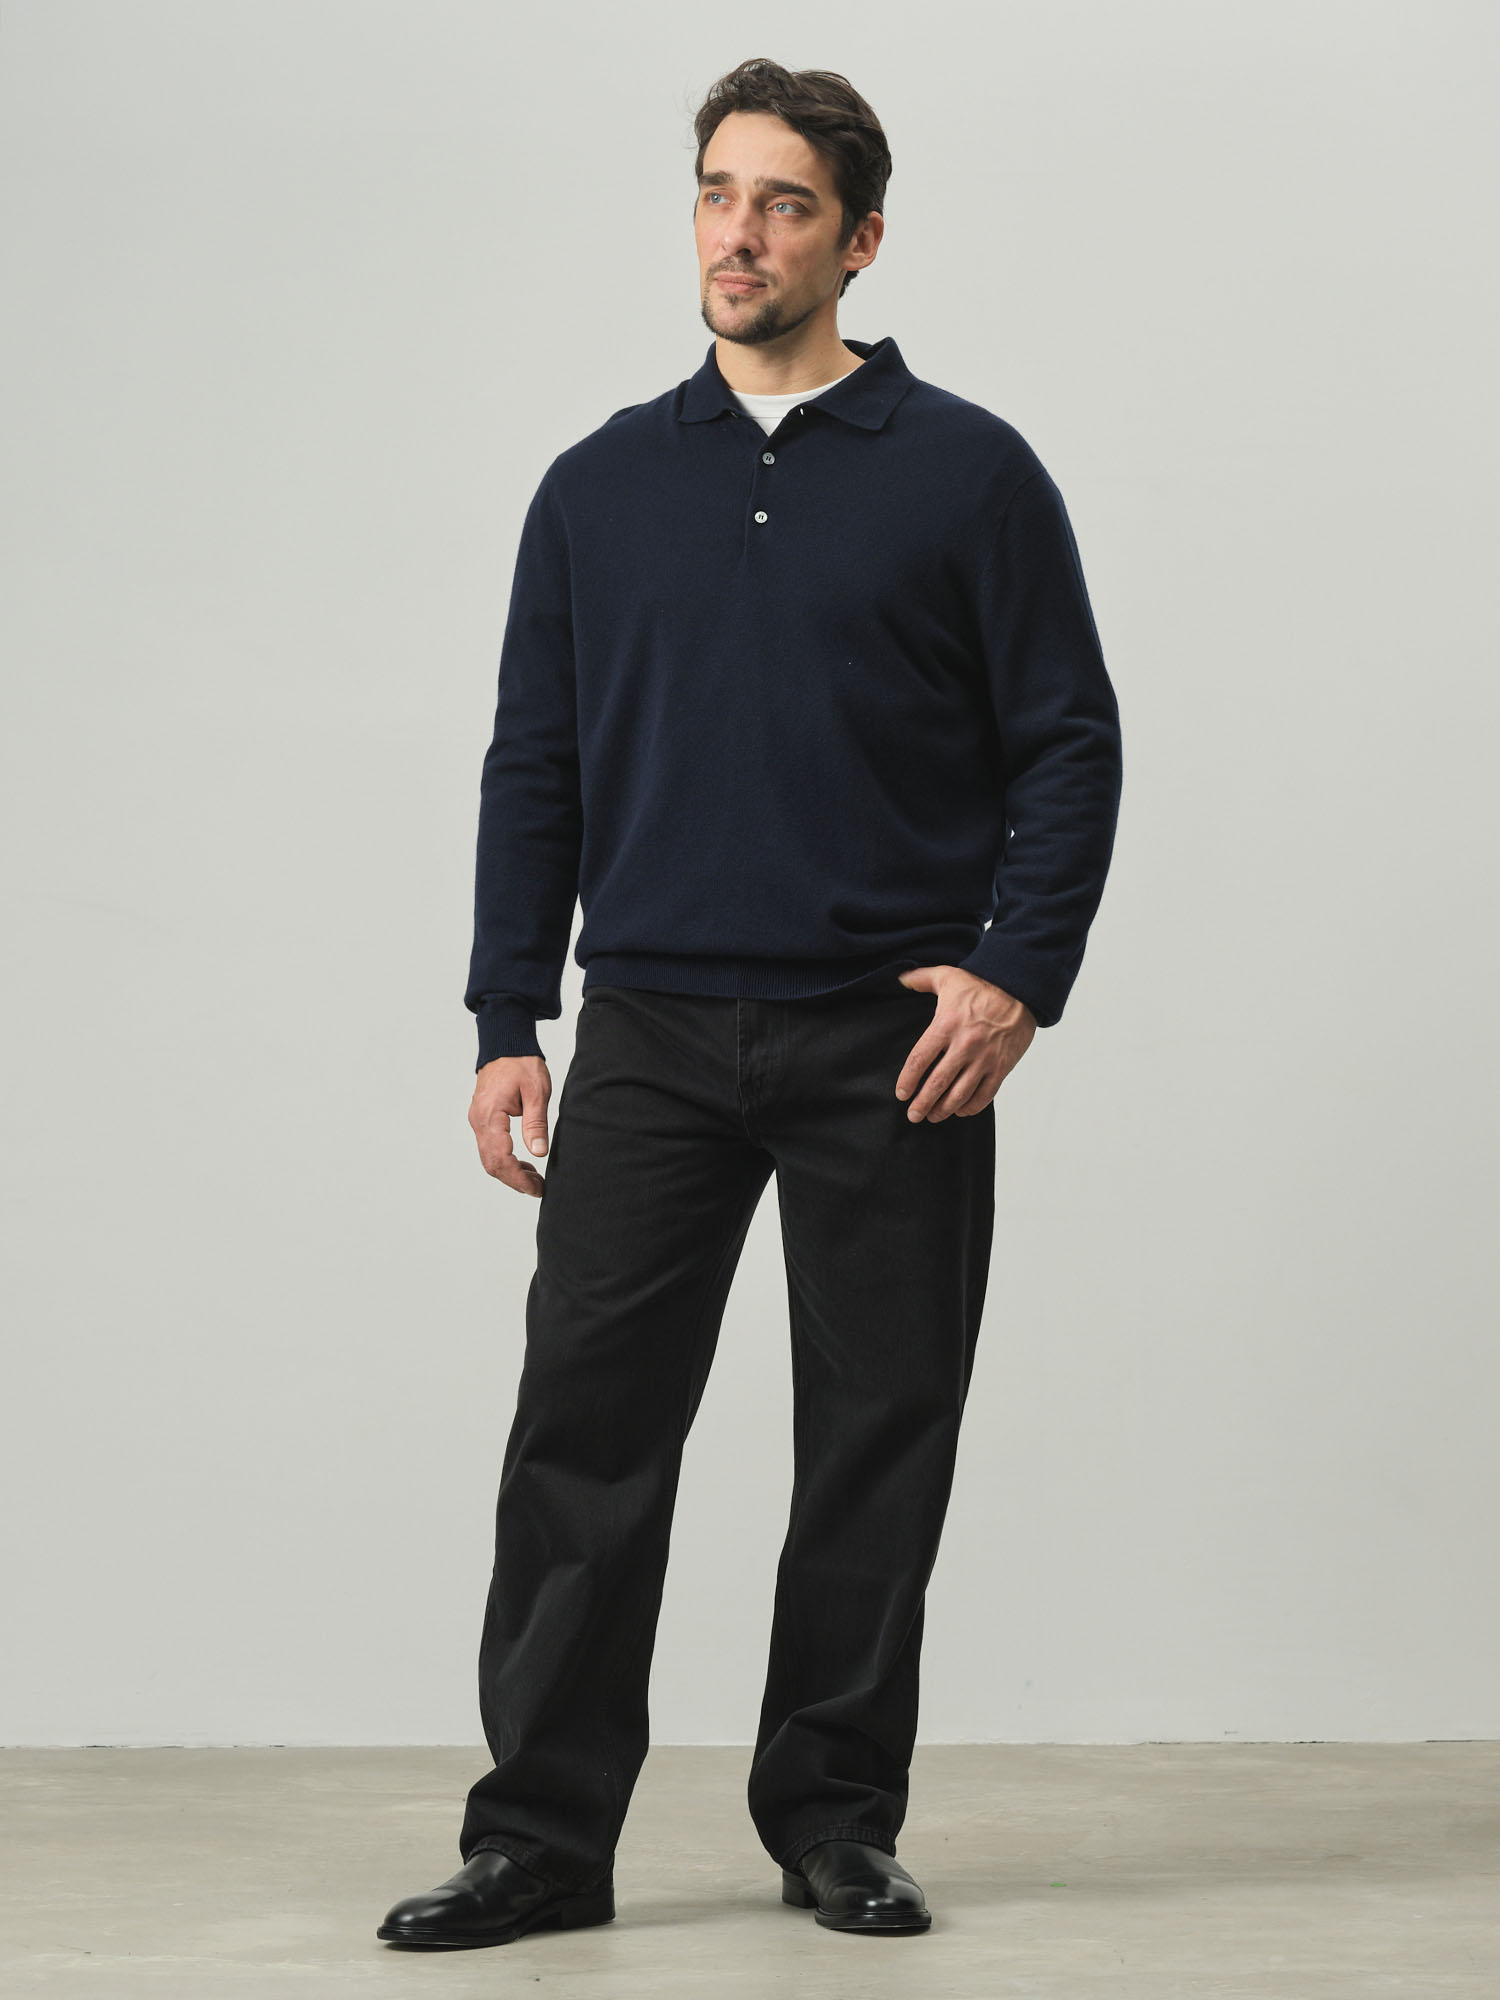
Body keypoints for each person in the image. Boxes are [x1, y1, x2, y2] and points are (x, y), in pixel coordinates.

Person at [377, 54, 1123, 1952]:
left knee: (878, 1434)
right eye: (718, 193)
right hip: (647, 1031)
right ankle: (541, 1840)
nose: (740, 233)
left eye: (785, 203)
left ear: (859, 241)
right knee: (582, 1435)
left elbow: (1067, 742)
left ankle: (836, 1821)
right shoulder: (600, 488)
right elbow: (532, 765)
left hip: (890, 1039)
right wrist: (504, 1018)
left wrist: (1017, 973)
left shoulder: (970, 474)